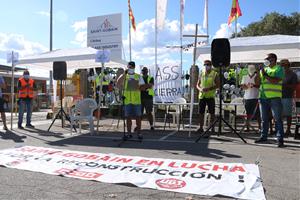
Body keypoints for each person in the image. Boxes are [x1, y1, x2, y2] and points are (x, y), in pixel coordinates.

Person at [255, 53, 285, 147]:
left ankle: (280, 139)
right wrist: (257, 73)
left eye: (268, 58)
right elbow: (258, 83)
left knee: (277, 119)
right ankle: (264, 136)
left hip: (274, 97)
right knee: (264, 119)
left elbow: (276, 80)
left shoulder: (279, 69)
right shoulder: (264, 69)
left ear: (274, 59)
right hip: (263, 97)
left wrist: (265, 75)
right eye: (265, 59)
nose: (266, 60)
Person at [116, 61, 146, 140]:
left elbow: (143, 87)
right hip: (127, 100)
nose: (131, 68)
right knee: (128, 117)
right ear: (127, 67)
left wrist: (138, 87)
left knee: (138, 117)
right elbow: (118, 84)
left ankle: (139, 133)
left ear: (134, 67)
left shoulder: (138, 76)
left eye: (132, 67)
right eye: (129, 67)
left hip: (136, 101)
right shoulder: (124, 76)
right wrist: (124, 74)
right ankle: (129, 133)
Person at [196, 60, 219, 133]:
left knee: (212, 113)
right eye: (205, 64)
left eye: (208, 64)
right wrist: (200, 89)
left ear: (211, 65)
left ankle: (212, 128)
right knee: (201, 113)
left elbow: (218, 85)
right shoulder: (201, 73)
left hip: (210, 96)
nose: (206, 66)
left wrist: (209, 89)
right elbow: (197, 84)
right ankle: (201, 128)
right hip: (202, 96)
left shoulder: (214, 73)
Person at [240, 64, 261, 131]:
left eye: (252, 68)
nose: (251, 70)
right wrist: (247, 86)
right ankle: (247, 127)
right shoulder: (244, 77)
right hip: (247, 98)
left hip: (256, 97)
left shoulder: (257, 76)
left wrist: (253, 85)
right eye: (250, 68)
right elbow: (242, 86)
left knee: (258, 113)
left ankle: (260, 127)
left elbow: (259, 85)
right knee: (247, 113)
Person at [280, 59, 297, 137]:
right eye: (281, 65)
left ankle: (288, 130)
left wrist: (284, 85)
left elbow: (294, 86)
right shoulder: (279, 74)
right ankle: (280, 130)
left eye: (284, 65)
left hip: (287, 97)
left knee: (288, 115)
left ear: (288, 65)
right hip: (278, 96)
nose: (282, 66)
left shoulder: (293, 74)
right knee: (279, 115)